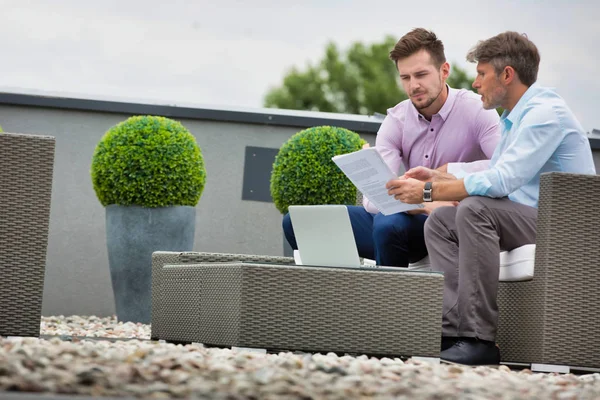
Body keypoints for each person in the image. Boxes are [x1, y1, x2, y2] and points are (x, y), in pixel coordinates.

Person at [386, 31, 596, 365]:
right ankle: (451, 334)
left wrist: (428, 192)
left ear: (507, 75)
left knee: (474, 210)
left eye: (482, 74)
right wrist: (438, 177)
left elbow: (501, 181)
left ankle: (479, 339)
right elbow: (495, 173)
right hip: (530, 216)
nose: (475, 83)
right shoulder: (515, 119)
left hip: (563, 227)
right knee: (441, 221)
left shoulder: (545, 114)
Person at [282, 28, 500, 267]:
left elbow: (504, 169)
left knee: (388, 226)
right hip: (409, 219)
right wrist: (423, 203)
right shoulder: (396, 120)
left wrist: (448, 174)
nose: (413, 85)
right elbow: (373, 202)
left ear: (444, 71)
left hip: (454, 220)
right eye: (405, 77)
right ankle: (340, 296)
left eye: (421, 74)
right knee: (297, 222)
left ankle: (388, 301)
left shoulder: (477, 110)